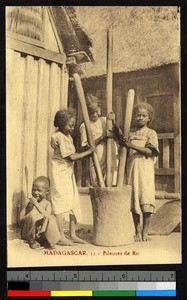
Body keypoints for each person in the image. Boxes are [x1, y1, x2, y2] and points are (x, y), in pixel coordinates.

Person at [110, 103, 159, 242]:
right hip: (132, 169)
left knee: (146, 198)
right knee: (135, 198)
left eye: (144, 116)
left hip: (145, 170)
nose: (140, 118)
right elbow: (119, 137)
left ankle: (145, 231)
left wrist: (130, 145)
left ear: (149, 118)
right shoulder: (130, 133)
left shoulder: (151, 133)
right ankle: (137, 231)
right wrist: (113, 123)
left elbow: (150, 151)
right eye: (138, 115)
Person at [50, 109, 95, 246]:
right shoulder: (58, 136)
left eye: (73, 125)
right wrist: (90, 152)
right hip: (59, 173)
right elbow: (71, 157)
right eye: (70, 125)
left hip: (67, 172)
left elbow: (73, 154)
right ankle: (60, 236)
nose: (72, 128)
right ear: (61, 124)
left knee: (74, 202)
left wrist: (88, 149)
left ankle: (72, 234)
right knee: (60, 202)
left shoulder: (67, 137)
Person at [79, 94, 118, 186]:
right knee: (97, 180)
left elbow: (117, 134)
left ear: (100, 109)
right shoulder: (85, 126)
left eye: (96, 111)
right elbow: (86, 146)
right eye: (91, 112)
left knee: (111, 179)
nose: (95, 114)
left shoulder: (105, 120)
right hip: (97, 156)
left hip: (111, 153)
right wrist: (102, 137)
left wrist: (113, 121)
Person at [20, 176, 61, 250]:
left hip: (40, 230)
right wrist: (32, 204)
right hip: (28, 230)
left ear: (47, 191)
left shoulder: (47, 203)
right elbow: (22, 219)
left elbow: (47, 215)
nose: (35, 193)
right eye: (34, 190)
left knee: (52, 218)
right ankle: (31, 240)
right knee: (33, 214)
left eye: (39, 190)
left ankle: (50, 240)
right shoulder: (29, 202)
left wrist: (43, 228)